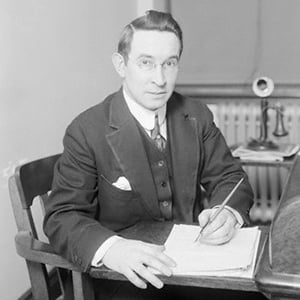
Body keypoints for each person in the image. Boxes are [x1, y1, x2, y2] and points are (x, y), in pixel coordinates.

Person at [44, 10, 255, 300]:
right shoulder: (86, 130)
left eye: (170, 63)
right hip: (123, 274)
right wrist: (112, 248)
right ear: (121, 64)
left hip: (191, 263)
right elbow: (62, 216)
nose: (160, 79)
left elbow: (231, 177)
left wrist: (226, 213)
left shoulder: (197, 116)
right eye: (146, 63)